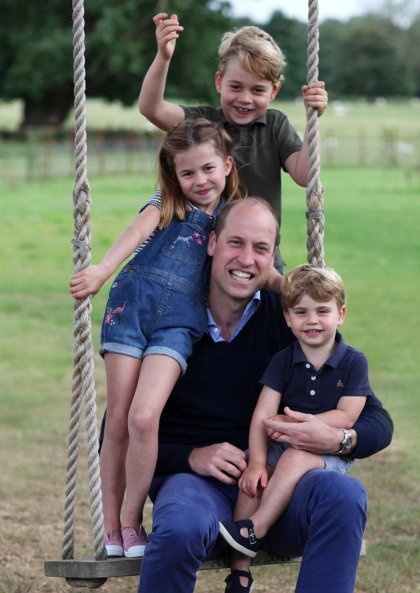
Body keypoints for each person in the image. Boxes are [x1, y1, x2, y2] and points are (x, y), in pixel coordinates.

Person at [134, 198, 393, 593]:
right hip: (199, 488)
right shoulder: (172, 320)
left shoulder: (289, 319)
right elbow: (120, 433)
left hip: (283, 490)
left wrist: (341, 439)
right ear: (212, 243)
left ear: (273, 257)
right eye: (236, 243)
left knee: (343, 493)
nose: (247, 259)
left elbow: (376, 420)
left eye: (261, 248)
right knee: (181, 523)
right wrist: (191, 456)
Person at [69, 119, 249, 559]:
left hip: (180, 322)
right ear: (175, 175)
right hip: (131, 308)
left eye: (207, 169)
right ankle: (112, 527)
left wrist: (294, 288)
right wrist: (101, 270)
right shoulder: (167, 201)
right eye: (188, 173)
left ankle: (133, 519)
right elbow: (134, 234)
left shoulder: (232, 214)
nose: (199, 181)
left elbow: (251, 261)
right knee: (118, 420)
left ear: (226, 165)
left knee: (144, 418)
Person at [218, 264, 374, 586]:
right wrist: (258, 463)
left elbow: (347, 416)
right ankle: (240, 570)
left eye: (322, 311)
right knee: (252, 481)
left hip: (325, 450)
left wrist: (296, 425)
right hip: (279, 445)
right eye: (301, 312)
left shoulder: (353, 362)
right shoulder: (283, 360)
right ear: (288, 318)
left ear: (340, 314)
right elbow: (262, 416)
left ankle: (256, 529)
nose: (312, 320)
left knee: (294, 457)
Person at [138, 15, 328, 270]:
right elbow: (152, 108)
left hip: (262, 260)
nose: (245, 98)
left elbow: (305, 175)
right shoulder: (203, 122)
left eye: (258, 90)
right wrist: (163, 57)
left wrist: (312, 120)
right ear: (219, 82)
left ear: (274, 92)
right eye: (236, 87)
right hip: (205, 262)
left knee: (273, 307)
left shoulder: (275, 125)